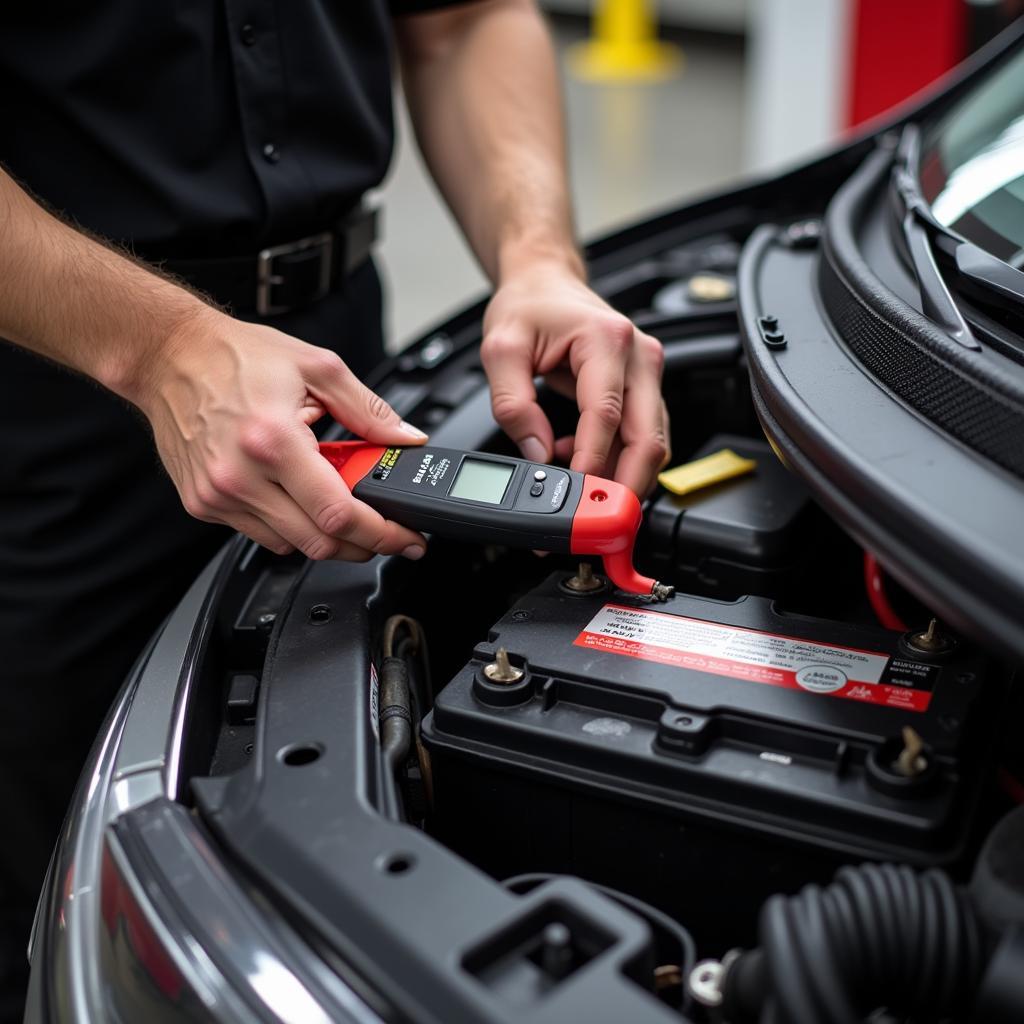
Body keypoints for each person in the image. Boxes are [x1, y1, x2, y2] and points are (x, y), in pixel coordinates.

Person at [0, 0, 668, 1014]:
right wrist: (159, 344)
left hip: (342, 364)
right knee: (58, 891)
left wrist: (538, 257)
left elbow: (463, 22)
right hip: (52, 409)